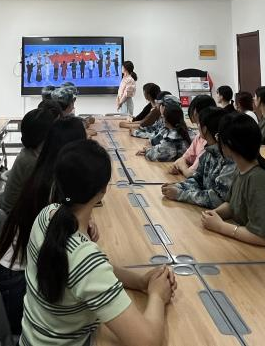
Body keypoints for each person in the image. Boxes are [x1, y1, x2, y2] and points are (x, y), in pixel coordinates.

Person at [21, 139, 176, 346]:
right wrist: (157, 295)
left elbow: (90, 273)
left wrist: (140, 282)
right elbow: (147, 342)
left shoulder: (47, 215)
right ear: (102, 190)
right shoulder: (84, 259)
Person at [0, 117, 89, 335]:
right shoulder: (52, 188)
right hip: (16, 287)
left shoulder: (46, 173)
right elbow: (67, 255)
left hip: (15, 273)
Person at [201, 113, 265, 251]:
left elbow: (264, 238)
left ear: (230, 144)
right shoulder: (241, 169)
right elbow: (232, 205)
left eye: (219, 137)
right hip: (246, 246)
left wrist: (221, 226)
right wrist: (214, 214)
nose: (217, 141)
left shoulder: (258, 179)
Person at [163, 106, 236, 208]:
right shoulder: (209, 151)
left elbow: (216, 199)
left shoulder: (228, 158)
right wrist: (178, 186)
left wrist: (180, 194)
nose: (197, 127)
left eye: (198, 124)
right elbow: (197, 179)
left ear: (204, 129)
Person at [1, 105, 59, 213]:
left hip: (23, 209)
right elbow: (46, 197)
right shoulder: (30, 161)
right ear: (44, 135)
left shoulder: (31, 152)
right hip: (16, 216)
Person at [170, 94, 217, 178]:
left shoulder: (211, 143)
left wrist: (183, 167)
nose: (197, 127)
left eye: (198, 124)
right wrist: (183, 166)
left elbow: (191, 174)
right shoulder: (200, 136)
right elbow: (183, 159)